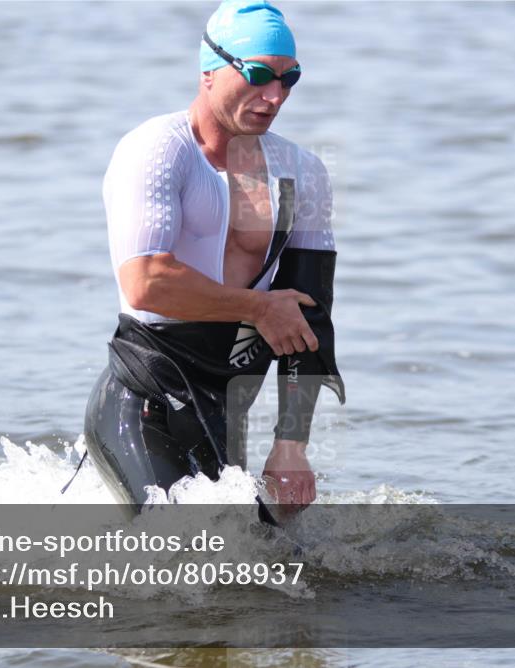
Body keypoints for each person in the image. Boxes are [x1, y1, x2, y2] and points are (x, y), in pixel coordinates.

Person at [77, 0, 344, 520]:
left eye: (290, 80)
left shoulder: (302, 172)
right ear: (209, 70)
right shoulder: (157, 150)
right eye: (260, 75)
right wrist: (259, 308)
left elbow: (308, 314)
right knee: (182, 548)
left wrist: (292, 445)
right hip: (142, 396)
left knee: (270, 571)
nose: (275, 96)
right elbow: (146, 282)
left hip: (222, 408)